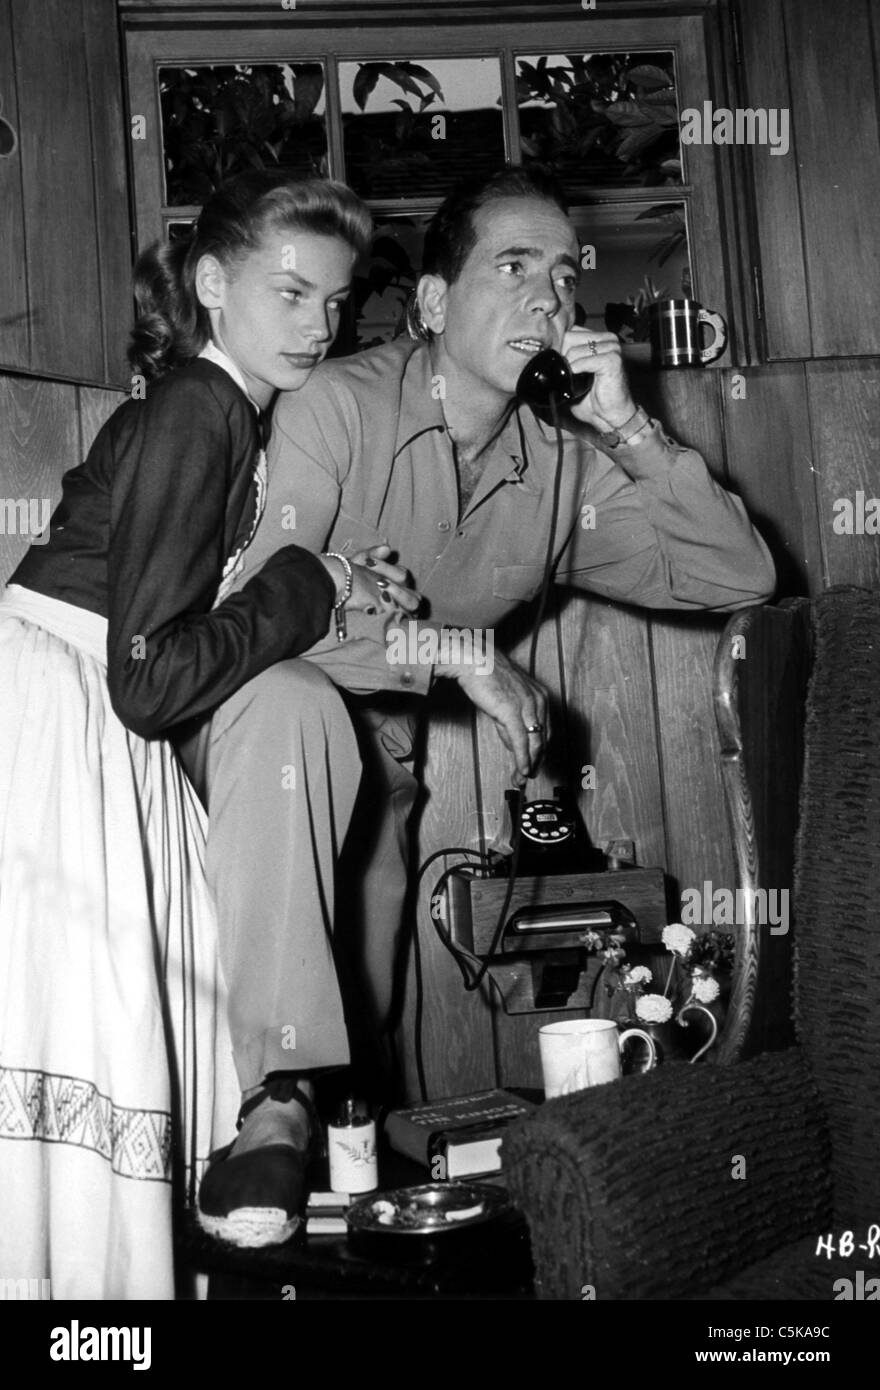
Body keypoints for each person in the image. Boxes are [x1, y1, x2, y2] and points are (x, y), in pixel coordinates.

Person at [195, 165, 775, 1240]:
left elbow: (736, 576)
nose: (549, 300)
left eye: (562, 276)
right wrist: (457, 648)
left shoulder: (561, 460)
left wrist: (632, 433)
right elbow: (255, 615)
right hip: (252, 717)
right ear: (428, 305)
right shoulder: (335, 407)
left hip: (377, 769)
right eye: (512, 268)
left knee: (365, 1054)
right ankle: (270, 1106)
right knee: (291, 705)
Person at [0, 170, 418, 1296]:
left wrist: (327, 583)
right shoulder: (202, 406)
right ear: (214, 284)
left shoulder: (221, 409)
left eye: (335, 303)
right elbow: (150, 678)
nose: (317, 326)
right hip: (68, 707)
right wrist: (306, 583)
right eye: (290, 293)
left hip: (80, 703)